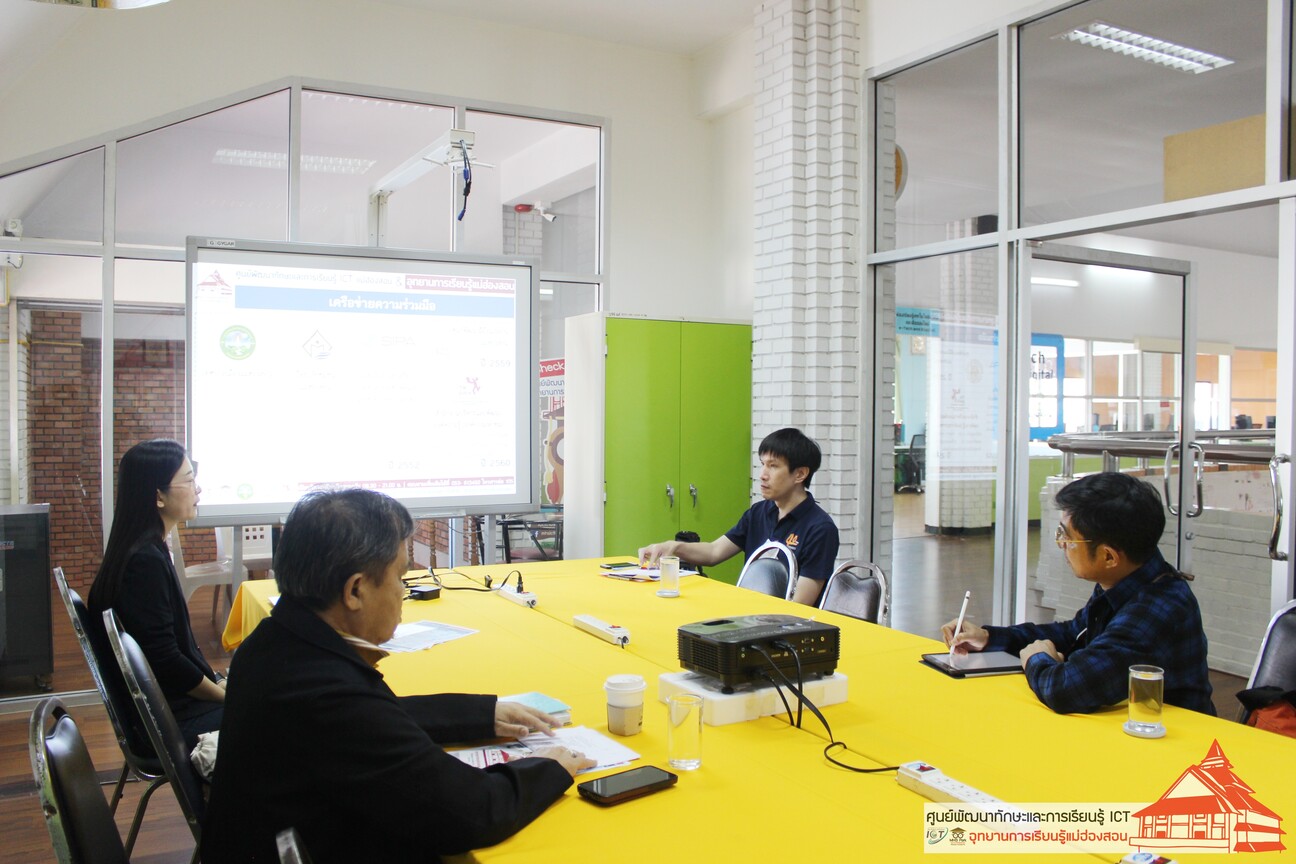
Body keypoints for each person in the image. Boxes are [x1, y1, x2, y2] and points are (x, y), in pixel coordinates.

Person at [201, 488, 593, 864]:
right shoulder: (327, 695)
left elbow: (377, 718)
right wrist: (550, 767)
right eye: (401, 577)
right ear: (355, 590)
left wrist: (482, 714)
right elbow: (469, 812)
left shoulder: (276, 640)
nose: (404, 592)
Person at [943, 471, 1214, 716]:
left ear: (1109, 557)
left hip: (1176, 743)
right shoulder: (1128, 578)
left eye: (1067, 537)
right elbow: (1074, 633)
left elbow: (1065, 689)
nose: (1061, 544)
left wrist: (1036, 658)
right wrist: (989, 638)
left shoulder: (1156, 609)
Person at [88, 439, 224, 751]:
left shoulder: (142, 548)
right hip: (168, 723)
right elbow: (166, 661)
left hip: (167, 709)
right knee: (276, 712)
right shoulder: (144, 563)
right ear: (159, 496)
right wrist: (224, 695)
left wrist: (217, 680)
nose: (198, 489)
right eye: (188, 480)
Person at [639, 428, 840, 605]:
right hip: (748, 616)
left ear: (800, 474)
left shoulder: (820, 528)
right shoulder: (758, 512)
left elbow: (799, 605)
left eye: (773, 466)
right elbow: (714, 552)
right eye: (762, 464)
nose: (762, 474)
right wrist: (673, 547)